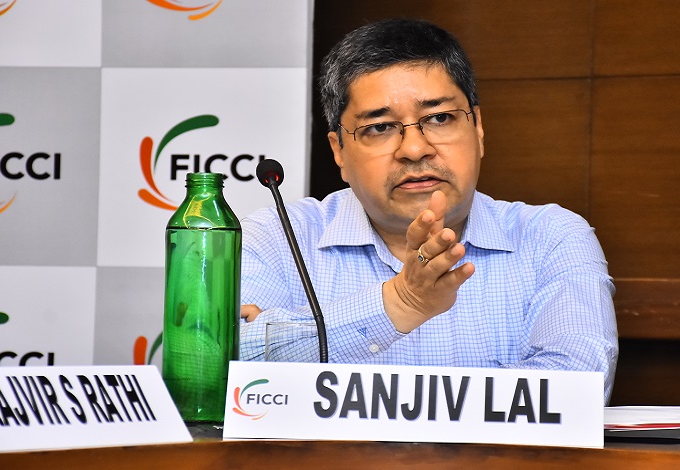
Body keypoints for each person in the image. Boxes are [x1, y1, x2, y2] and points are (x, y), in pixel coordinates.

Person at [239, 18, 618, 403]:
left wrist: (292, 354)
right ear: (339, 150)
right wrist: (399, 303)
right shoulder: (277, 237)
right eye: (380, 127)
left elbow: (576, 391)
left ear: (478, 128)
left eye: (439, 118)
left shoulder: (550, 238)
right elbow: (225, 370)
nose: (415, 149)